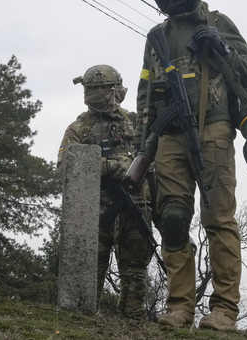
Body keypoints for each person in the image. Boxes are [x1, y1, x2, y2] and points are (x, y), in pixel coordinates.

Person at [134, 0, 247, 330]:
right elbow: (145, 91)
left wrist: (221, 47)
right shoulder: (156, 36)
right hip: (168, 136)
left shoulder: (217, 23)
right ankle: (180, 307)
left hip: (214, 131)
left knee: (218, 219)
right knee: (172, 219)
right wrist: (144, 144)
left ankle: (224, 309)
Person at [57, 64, 152, 318]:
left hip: (134, 204)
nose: (101, 95)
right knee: (90, 266)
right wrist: (108, 167)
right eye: (94, 90)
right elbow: (64, 168)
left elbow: (152, 160)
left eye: (104, 89)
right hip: (95, 206)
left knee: (135, 266)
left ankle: (133, 319)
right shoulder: (78, 128)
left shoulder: (134, 122)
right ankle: (82, 317)